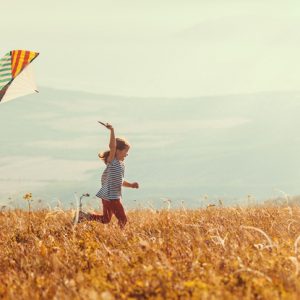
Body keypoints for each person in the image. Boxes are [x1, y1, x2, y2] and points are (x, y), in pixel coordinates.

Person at [78, 123, 139, 228]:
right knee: (123, 219)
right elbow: (112, 146)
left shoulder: (121, 165)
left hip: (109, 196)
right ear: (117, 151)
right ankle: (121, 238)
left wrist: (131, 185)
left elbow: (120, 181)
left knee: (106, 219)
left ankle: (83, 216)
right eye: (126, 151)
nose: (127, 154)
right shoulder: (112, 162)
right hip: (112, 197)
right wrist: (112, 130)